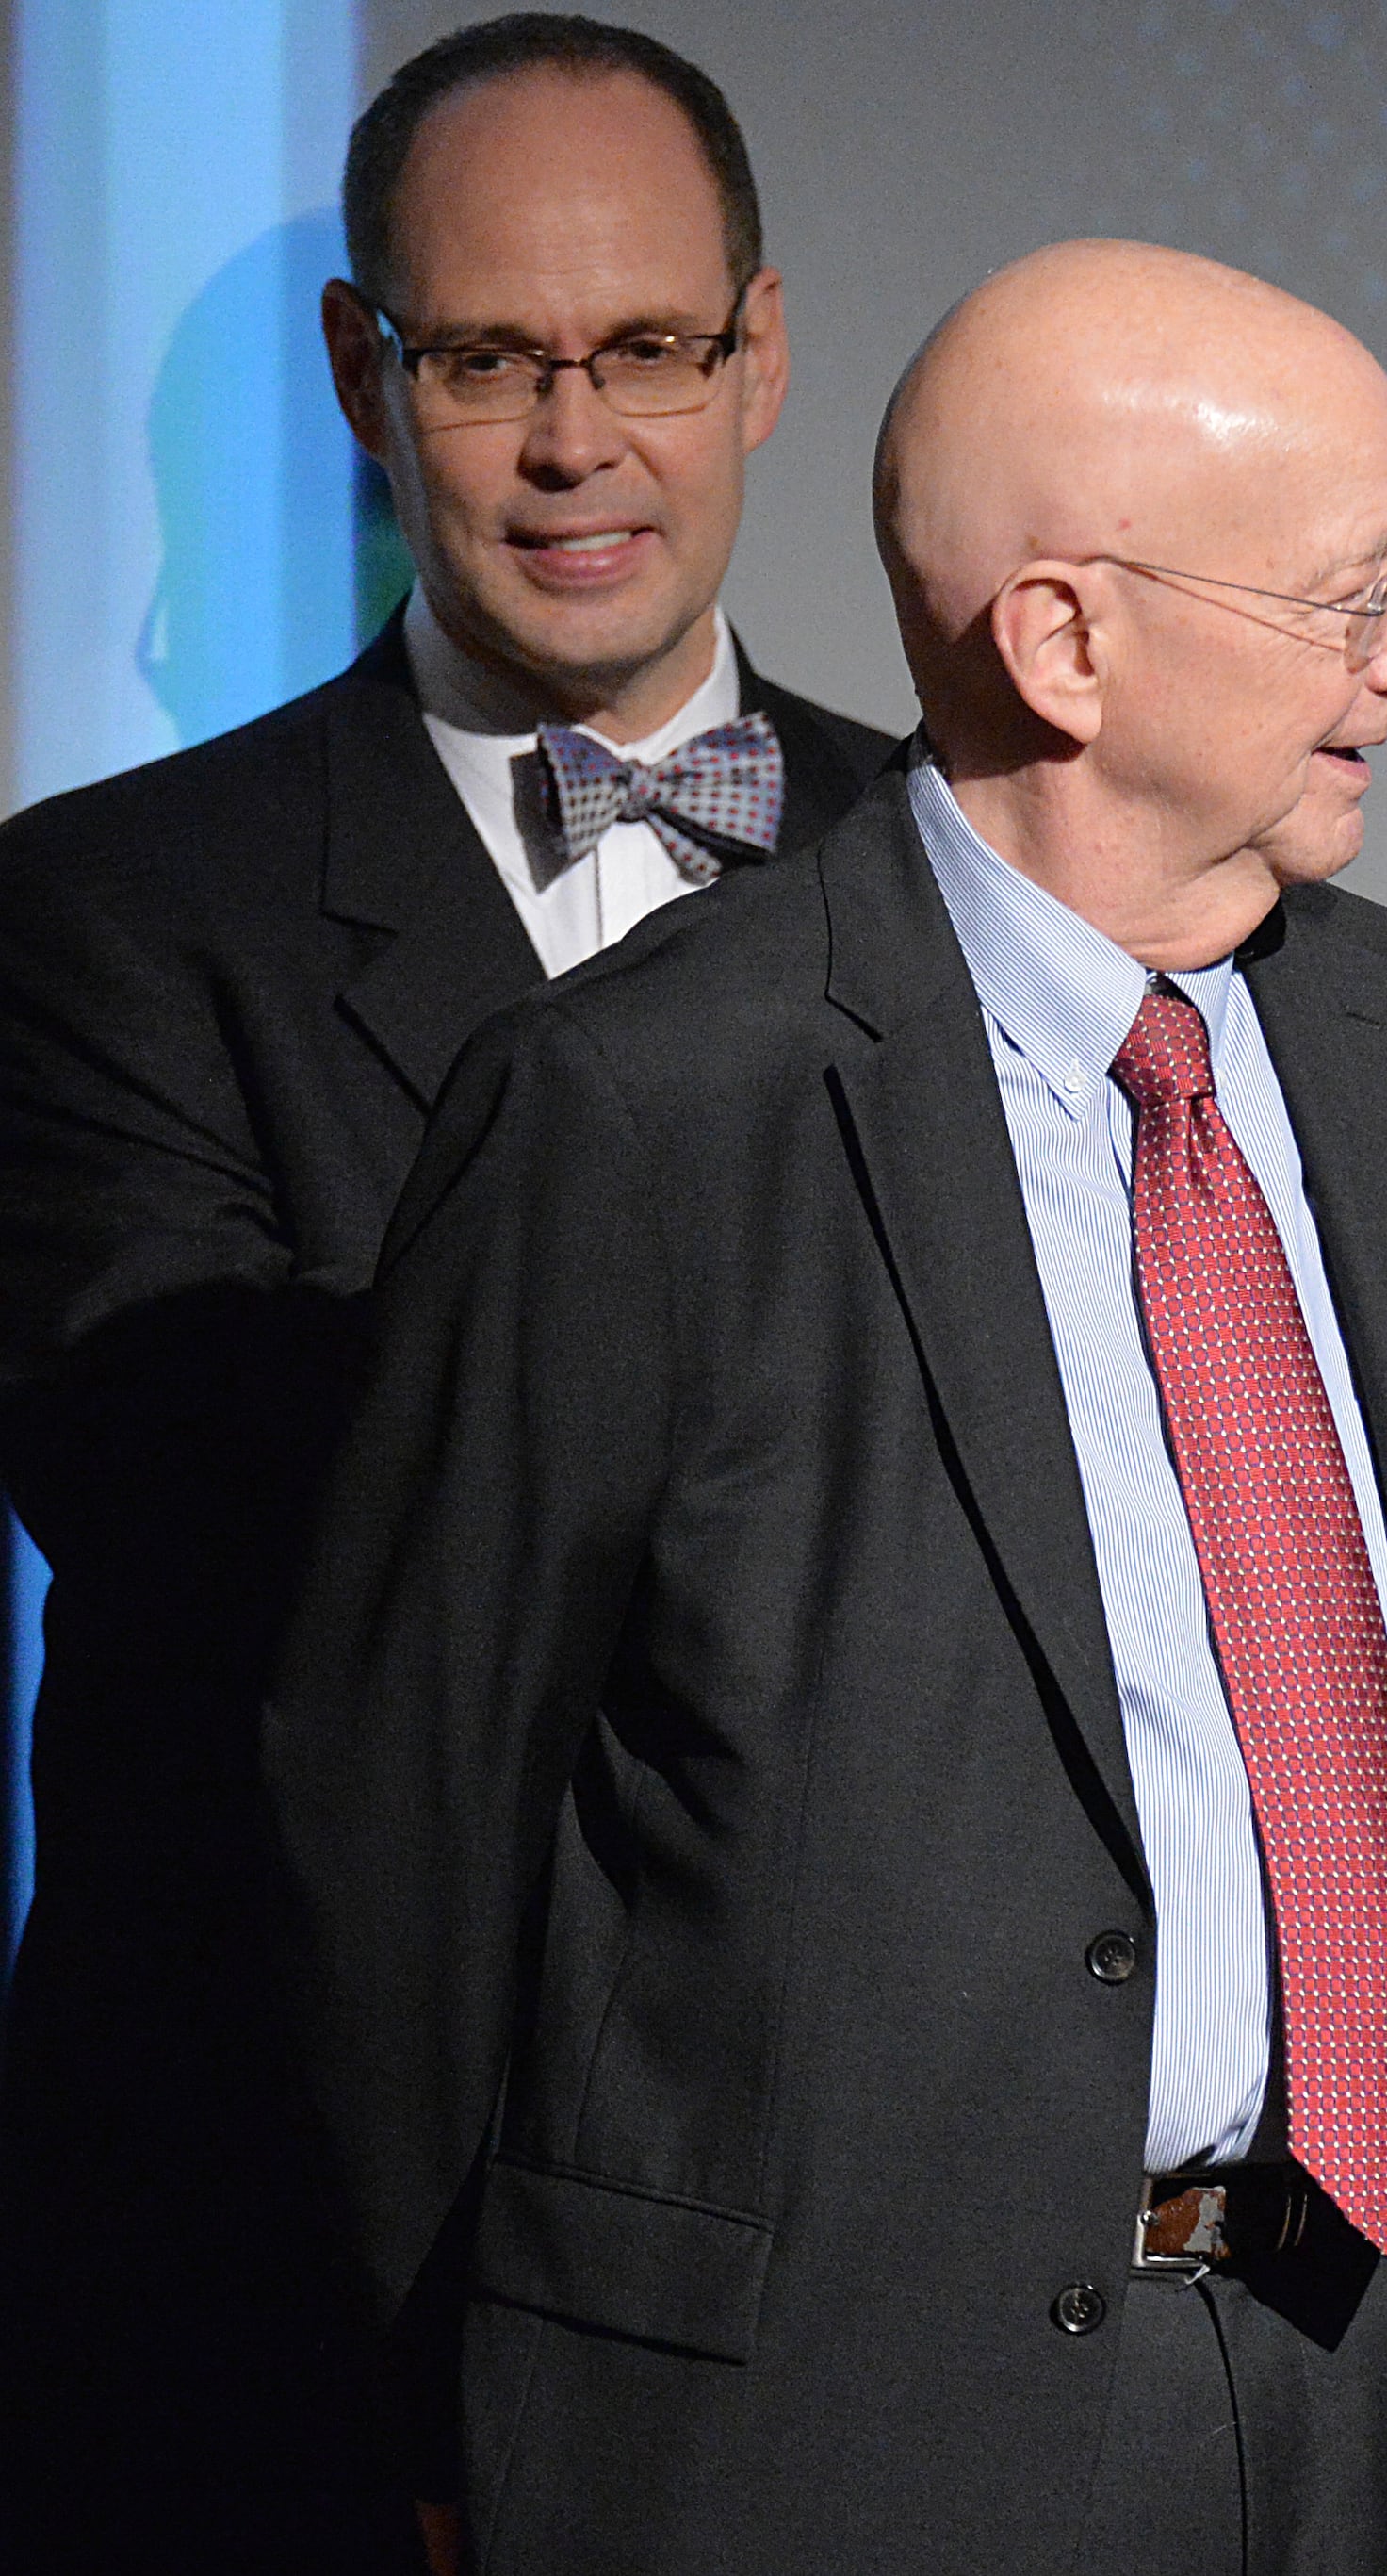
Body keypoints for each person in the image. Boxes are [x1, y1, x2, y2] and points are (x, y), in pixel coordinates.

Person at [262, 240, 1387, 2575]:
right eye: (1357, 593)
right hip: (833, 2433)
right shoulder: (647, 1106)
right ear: (1066, 639)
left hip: (1380, 2367)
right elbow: (400, 1834)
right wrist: (454, 2431)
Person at [0, 17, 886, 2568]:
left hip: (853, 2272)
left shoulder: (964, 879)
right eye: (493, 358)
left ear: (762, 353)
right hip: (285, 2287)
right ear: (365, 374)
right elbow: (258, 1533)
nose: (572, 441)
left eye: (643, 353)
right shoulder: (106, 922)